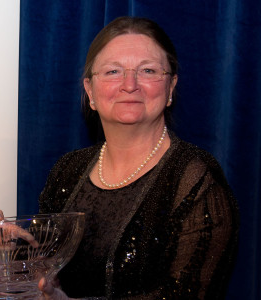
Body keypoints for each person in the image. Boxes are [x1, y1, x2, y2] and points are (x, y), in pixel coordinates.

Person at [37, 16, 239, 300]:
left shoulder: (197, 181)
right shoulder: (67, 171)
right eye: (112, 72)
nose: (129, 84)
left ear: (170, 88)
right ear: (90, 91)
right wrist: (15, 252)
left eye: (147, 70)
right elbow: (46, 271)